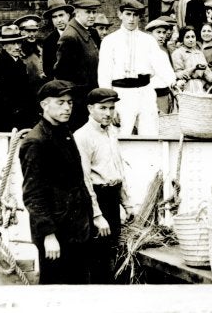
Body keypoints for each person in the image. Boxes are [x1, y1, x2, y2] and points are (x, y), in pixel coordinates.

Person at [20, 79, 93, 284]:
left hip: (76, 228)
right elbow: (33, 194)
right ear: (44, 105)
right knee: (55, 291)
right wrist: (48, 235)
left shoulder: (64, 132)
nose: (67, 107)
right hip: (56, 234)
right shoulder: (36, 141)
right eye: (60, 103)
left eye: (69, 103)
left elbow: (77, 181)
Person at [74, 88, 134, 284]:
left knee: (111, 254)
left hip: (112, 197)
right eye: (102, 108)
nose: (108, 113)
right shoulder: (82, 136)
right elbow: (84, 179)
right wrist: (97, 215)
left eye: (111, 108)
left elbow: (118, 169)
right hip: (96, 199)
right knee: (96, 259)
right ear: (90, 108)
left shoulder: (111, 132)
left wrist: (127, 203)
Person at [98, 0, 176, 135]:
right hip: (121, 94)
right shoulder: (110, 41)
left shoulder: (148, 40)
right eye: (128, 14)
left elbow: (160, 64)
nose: (131, 19)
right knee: (120, 135)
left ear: (140, 17)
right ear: (120, 14)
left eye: (135, 15)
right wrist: (109, 104)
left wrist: (173, 81)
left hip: (145, 92)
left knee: (150, 134)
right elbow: (104, 73)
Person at [54, 0, 101, 130]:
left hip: (88, 98)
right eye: (88, 12)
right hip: (79, 103)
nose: (92, 16)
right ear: (77, 13)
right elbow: (62, 74)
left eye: (94, 12)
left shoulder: (88, 31)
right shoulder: (71, 36)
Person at [0, 25, 36, 132]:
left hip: (22, 118)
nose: (17, 47)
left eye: (19, 43)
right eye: (12, 43)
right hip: (5, 120)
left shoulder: (20, 63)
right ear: (4, 45)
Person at [171, 25, 212, 93]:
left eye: (193, 37)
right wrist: (193, 68)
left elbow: (206, 71)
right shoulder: (178, 53)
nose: (191, 40)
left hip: (200, 86)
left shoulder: (199, 53)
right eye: (187, 37)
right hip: (186, 86)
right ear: (182, 38)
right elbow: (178, 74)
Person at [145, 18, 177, 115]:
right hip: (150, 96)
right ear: (150, 34)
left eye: (163, 32)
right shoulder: (144, 53)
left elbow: (169, 73)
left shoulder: (163, 53)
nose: (162, 36)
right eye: (158, 32)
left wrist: (174, 82)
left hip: (164, 95)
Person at [14, 14, 47, 97]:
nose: (32, 34)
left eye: (34, 31)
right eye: (28, 31)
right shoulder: (16, 52)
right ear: (21, 32)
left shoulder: (41, 50)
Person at [42, 0, 74, 78]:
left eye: (61, 15)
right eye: (54, 17)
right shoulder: (48, 42)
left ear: (68, 15)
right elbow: (47, 70)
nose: (59, 20)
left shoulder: (78, 34)